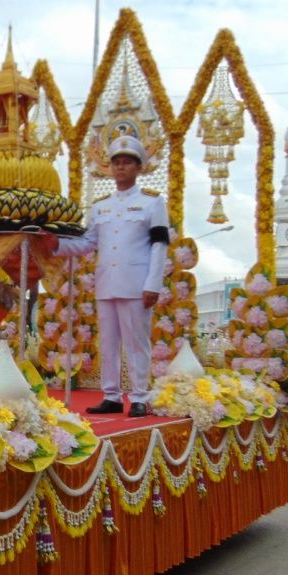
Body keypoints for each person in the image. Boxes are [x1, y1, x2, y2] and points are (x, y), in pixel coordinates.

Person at [46, 134, 169, 417]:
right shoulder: (101, 206)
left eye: (127, 163)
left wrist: (153, 284)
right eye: (116, 163)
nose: (121, 168)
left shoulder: (152, 203)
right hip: (106, 284)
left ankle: (140, 396)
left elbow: (160, 246)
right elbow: (89, 242)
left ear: (139, 167)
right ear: (109, 167)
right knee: (108, 342)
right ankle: (111, 395)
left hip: (137, 284)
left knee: (137, 342)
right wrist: (56, 244)